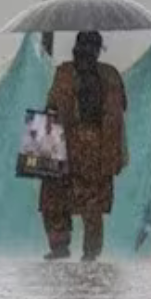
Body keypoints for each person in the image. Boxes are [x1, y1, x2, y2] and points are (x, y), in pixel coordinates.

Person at [40, 31, 128, 262]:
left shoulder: (70, 73)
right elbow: (121, 110)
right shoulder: (105, 75)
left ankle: (76, 249)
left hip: (85, 146)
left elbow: (50, 105)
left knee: (77, 199)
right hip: (79, 144)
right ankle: (82, 250)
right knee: (76, 199)